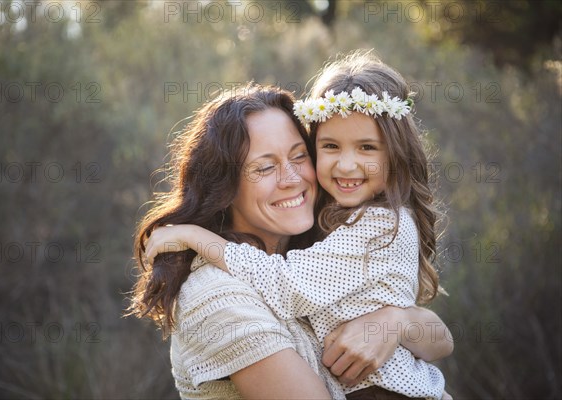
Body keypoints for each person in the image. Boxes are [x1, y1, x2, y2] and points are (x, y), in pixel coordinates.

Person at [145, 52, 452, 399]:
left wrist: (395, 322)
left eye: (298, 156)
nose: (292, 179)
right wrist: (198, 238)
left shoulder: (340, 236)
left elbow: (441, 341)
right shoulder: (217, 295)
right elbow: (283, 283)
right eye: (264, 167)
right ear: (224, 186)